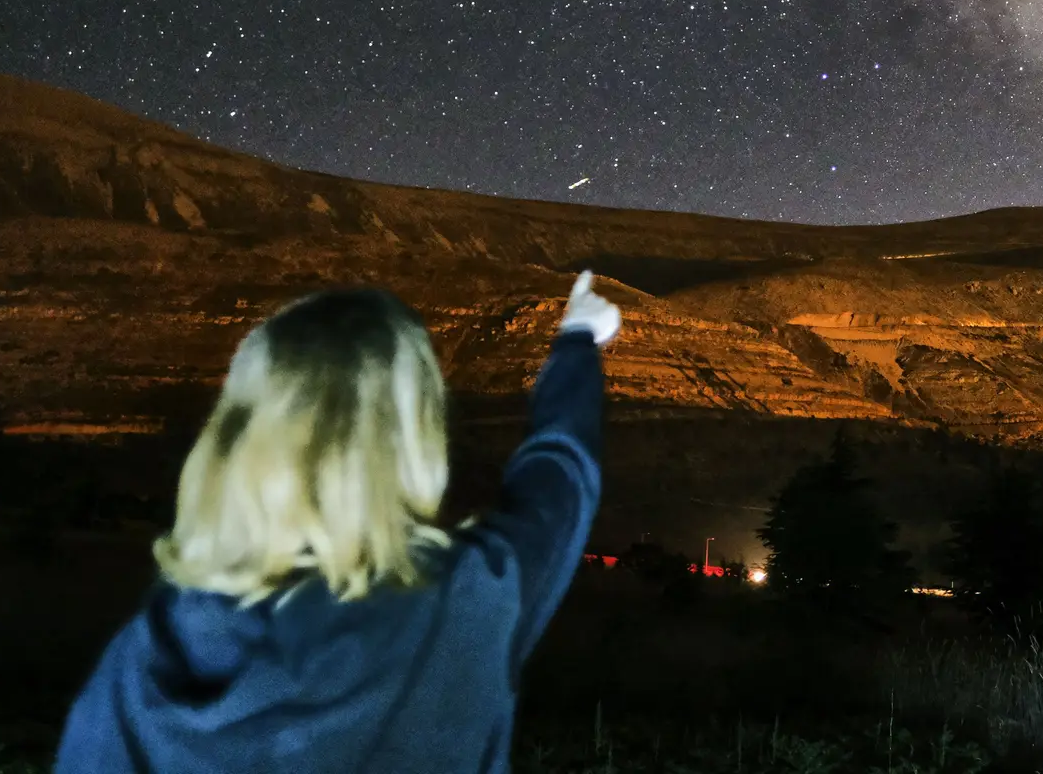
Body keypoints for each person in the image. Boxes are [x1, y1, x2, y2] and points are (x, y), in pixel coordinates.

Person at [53, 270, 621, 772]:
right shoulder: (468, 602)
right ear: (411, 437)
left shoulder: (146, 655)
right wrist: (576, 340)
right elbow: (559, 479)